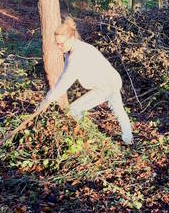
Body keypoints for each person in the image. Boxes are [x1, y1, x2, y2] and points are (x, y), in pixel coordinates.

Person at [35, 17, 134, 145]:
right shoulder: (70, 51)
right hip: (111, 80)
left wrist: (47, 100)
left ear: (71, 38)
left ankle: (86, 139)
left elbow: (65, 82)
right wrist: (48, 99)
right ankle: (128, 139)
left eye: (61, 43)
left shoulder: (77, 55)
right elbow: (64, 75)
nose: (59, 47)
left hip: (107, 84)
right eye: (57, 43)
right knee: (118, 109)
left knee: (75, 110)